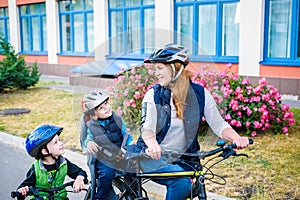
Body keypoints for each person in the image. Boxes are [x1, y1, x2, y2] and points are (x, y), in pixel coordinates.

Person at [131, 44, 250, 200]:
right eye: (156, 69)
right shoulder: (153, 95)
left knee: (192, 186)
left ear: (176, 68)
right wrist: (153, 145)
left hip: (186, 158)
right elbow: (147, 129)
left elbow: (219, 124)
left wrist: (236, 138)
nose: (157, 74)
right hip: (152, 157)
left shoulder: (200, 94)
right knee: (181, 184)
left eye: (160, 68)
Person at [81, 90, 134, 200]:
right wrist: (89, 143)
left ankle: (133, 192)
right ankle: (100, 196)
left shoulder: (117, 119)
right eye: (101, 108)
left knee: (134, 167)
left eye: (106, 104)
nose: (106, 108)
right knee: (107, 174)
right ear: (93, 115)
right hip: (103, 158)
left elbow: (126, 136)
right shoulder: (92, 125)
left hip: (120, 154)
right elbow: (87, 139)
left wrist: (130, 144)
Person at [16, 124, 88, 200]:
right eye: (56, 142)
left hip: (60, 198)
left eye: (59, 140)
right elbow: (25, 185)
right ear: (44, 151)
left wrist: (79, 178)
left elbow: (80, 172)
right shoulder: (36, 169)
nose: (61, 143)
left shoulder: (63, 163)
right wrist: (22, 191)